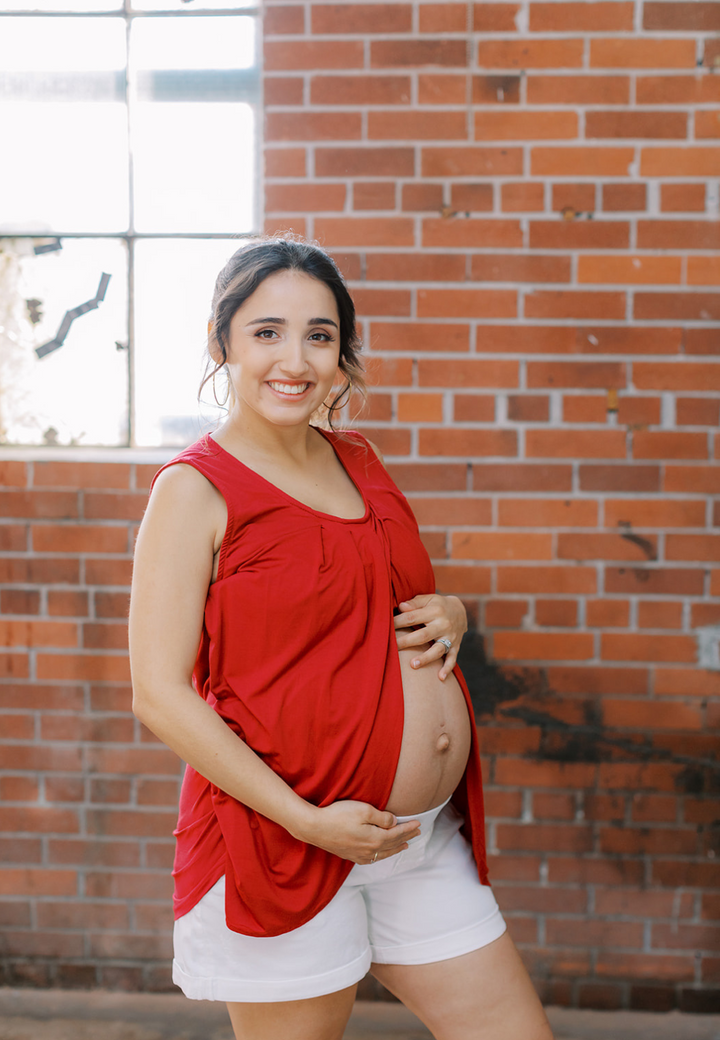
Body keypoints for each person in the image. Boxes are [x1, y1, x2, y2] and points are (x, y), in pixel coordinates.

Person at [129, 236, 554, 1040]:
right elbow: (158, 692)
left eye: (319, 336)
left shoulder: (357, 458)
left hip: (419, 845)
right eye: (266, 332)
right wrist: (306, 818)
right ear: (221, 343)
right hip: (283, 845)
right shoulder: (195, 489)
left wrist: (450, 610)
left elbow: (375, 603)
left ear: (342, 352)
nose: (295, 359)